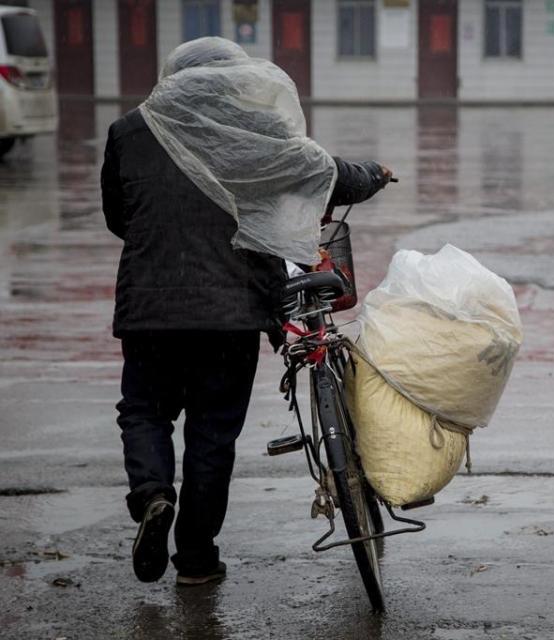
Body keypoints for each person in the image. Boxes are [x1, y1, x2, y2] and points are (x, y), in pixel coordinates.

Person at [101, 37, 392, 586]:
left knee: (144, 412)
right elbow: (323, 173)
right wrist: (375, 174)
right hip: (232, 313)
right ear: (236, 81)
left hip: (149, 309)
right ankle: (196, 561)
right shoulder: (253, 129)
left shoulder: (128, 130)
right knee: (212, 436)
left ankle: (153, 494)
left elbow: (119, 217)